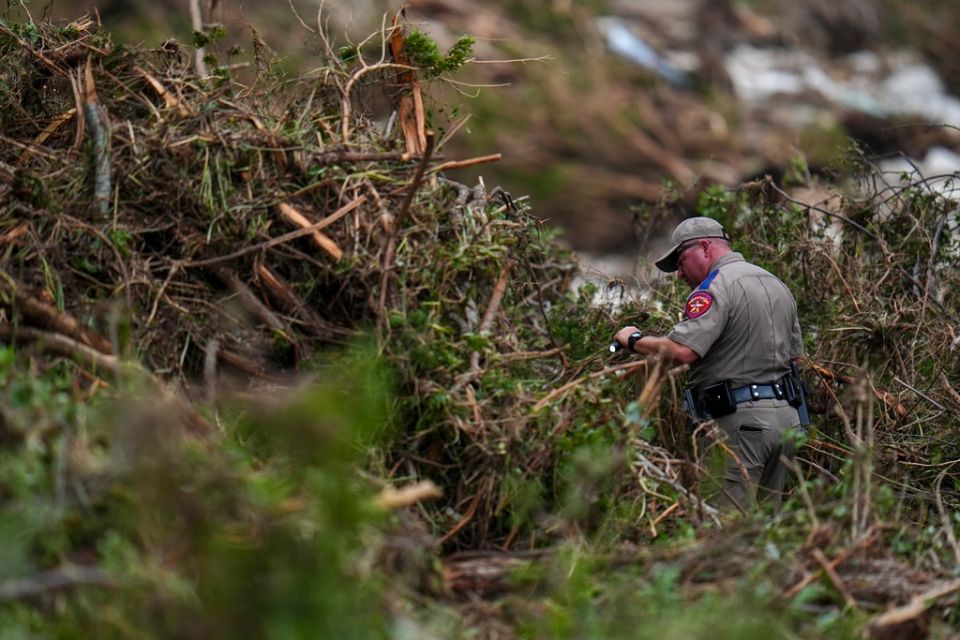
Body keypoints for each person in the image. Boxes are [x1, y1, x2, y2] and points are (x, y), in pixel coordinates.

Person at [614, 216, 805, 511]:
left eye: (680, 260)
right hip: (787, 423)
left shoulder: (714, 288)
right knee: (770, 526)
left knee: (725, 525)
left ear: (704, 247)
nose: (679, 273)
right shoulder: (776, 282)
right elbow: (795, 359)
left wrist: (633, 339)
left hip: (741, 425)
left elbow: (682, 351)